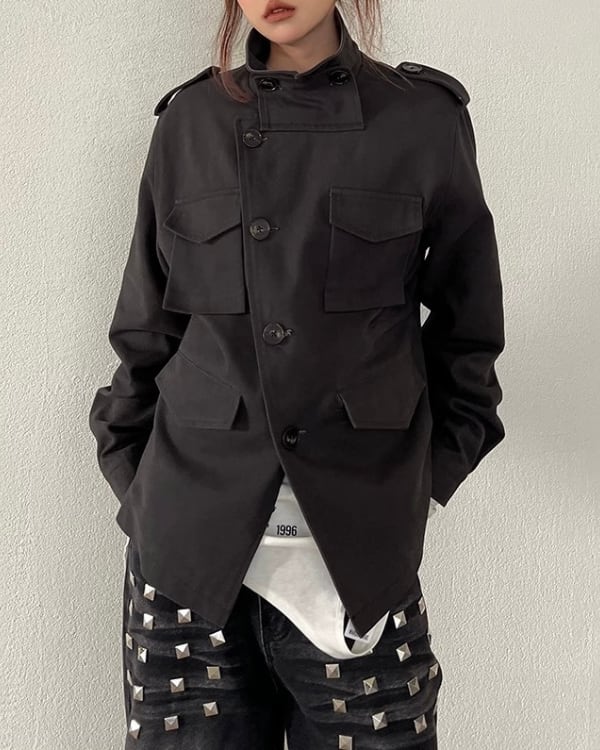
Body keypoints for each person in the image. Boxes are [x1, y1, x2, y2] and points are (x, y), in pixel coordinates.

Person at [89, 1, 506, 748]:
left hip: (359, 569)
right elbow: (146, 335)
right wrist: (140, 490)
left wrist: (415, 489)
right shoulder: (190, 122)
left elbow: (468, 339)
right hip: (186, 563)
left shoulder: (422, 121)